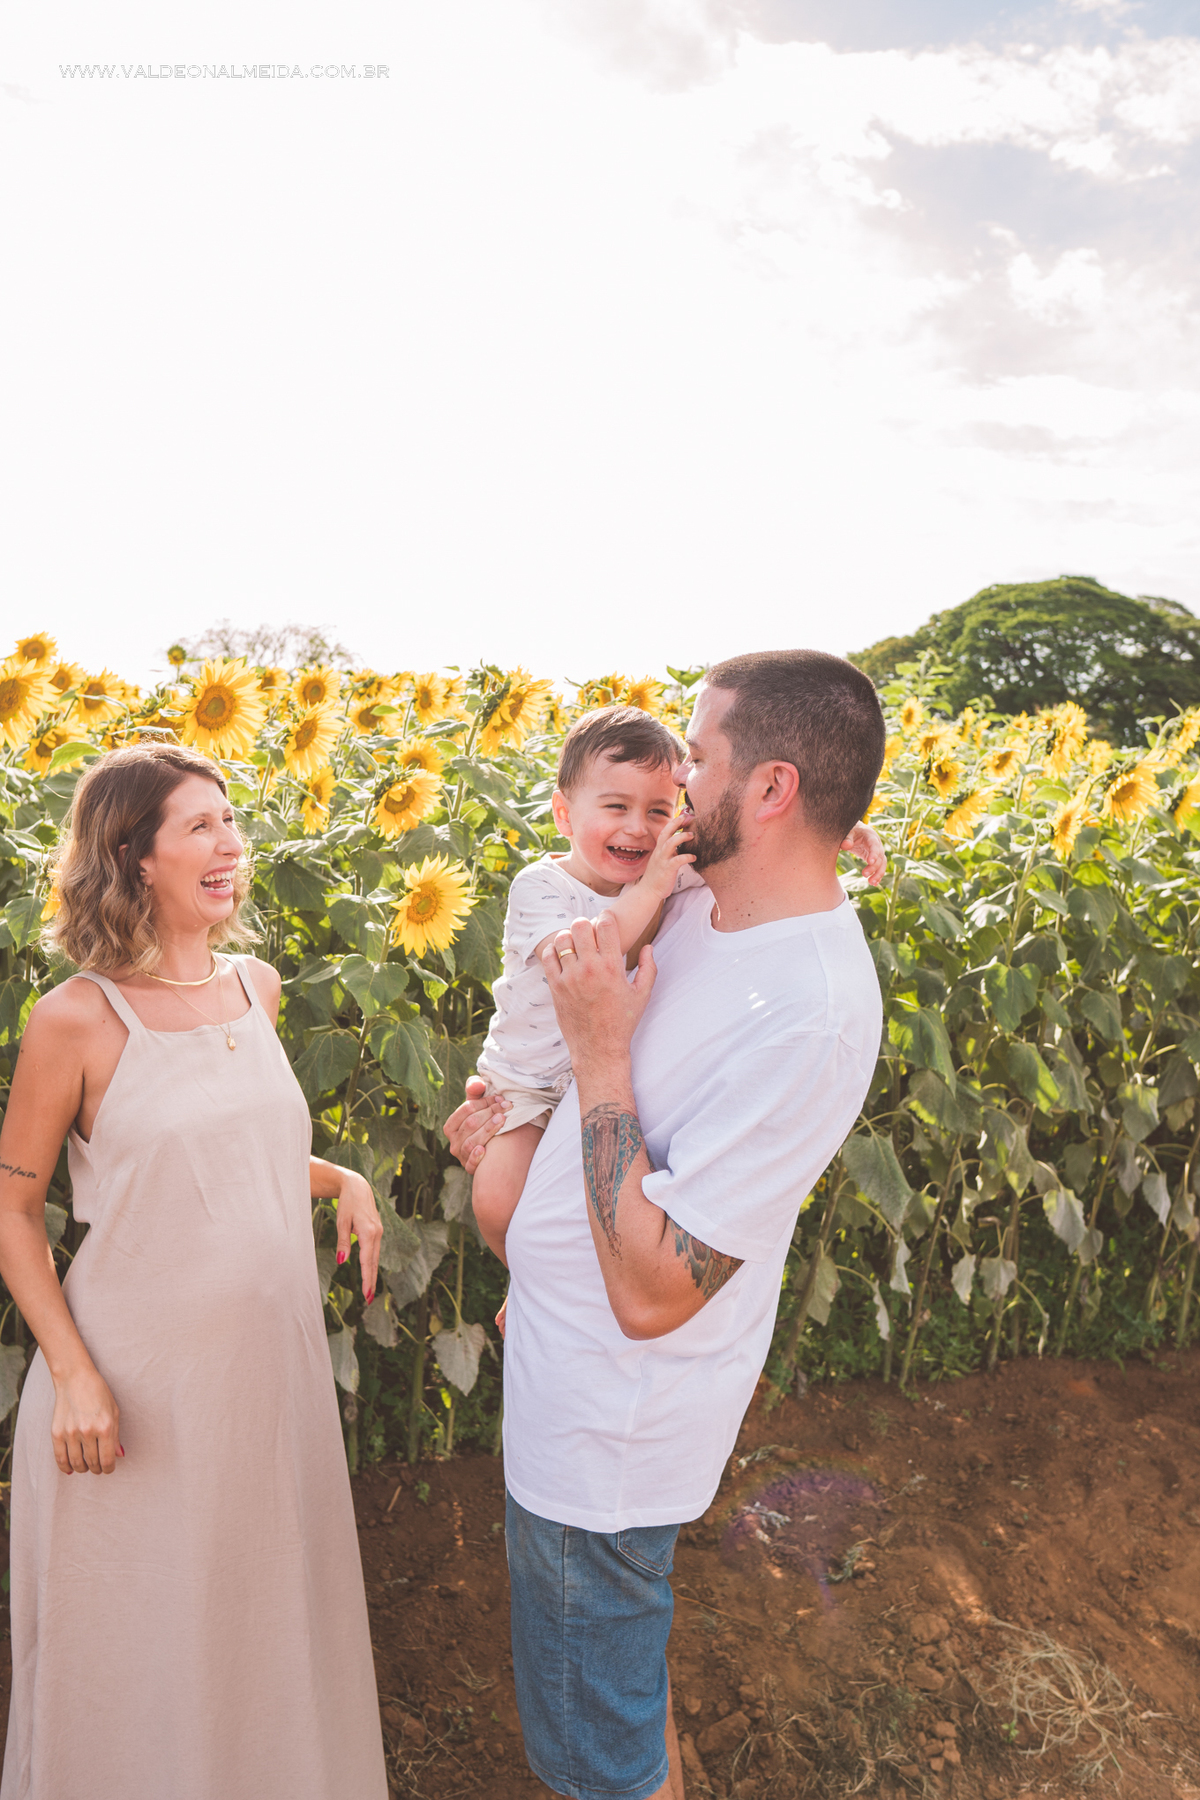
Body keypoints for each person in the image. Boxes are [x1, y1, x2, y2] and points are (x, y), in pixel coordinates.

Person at [446, 649, 887, 1800]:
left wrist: (592, 1045)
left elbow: (655, 1293)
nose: (677, 784)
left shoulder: (811, 1019)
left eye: (699, 757)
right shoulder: (713, 899)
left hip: (609, 1439)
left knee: (599, 1759)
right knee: (617, 1714)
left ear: (774, 788)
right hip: (562, 1386)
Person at [0, 743, 388, 1800]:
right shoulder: (77, 1017)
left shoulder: (253, 988)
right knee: (137, 1659)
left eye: (232, 821)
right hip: (131, 1399)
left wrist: (338, 1174)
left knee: (259, 1645)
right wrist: (76, 1376)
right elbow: (13, 1207)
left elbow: (221, 1146)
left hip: (264, 1391)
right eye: (200, 828)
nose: (231, 846)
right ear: (133, 857)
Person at [471, 703, 884, 1263]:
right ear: (564, 816)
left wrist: (835, 830)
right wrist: (654, 885)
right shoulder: (543, 886)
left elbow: (767, 844)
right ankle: (517, 1281)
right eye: (615, 806)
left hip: (593, 1084)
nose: (638, 828)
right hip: (529, 1083)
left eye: (660, 810)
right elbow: (580, 958)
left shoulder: (665, 869)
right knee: (499, 1202)